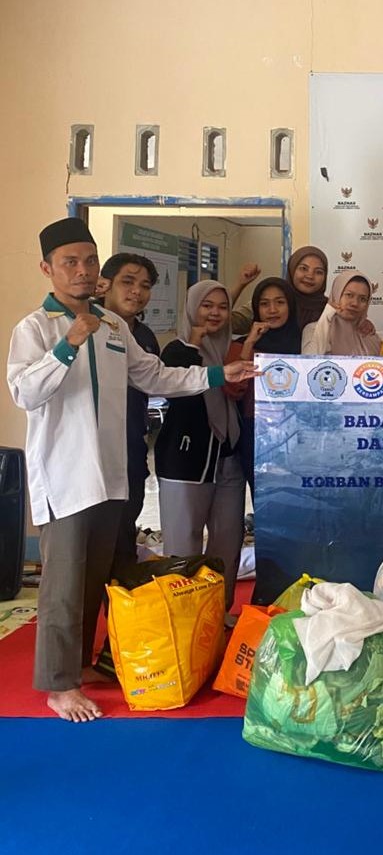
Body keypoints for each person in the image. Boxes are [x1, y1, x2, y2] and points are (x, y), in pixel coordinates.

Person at [6, 217, 257, 722]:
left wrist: (217, 373)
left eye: (89, 260)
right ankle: (58, 685)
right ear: (48, 269)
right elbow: (24, 392)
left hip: (112, 474)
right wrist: (68, 344)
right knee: (63, 583)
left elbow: (155, 375)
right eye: (70, 262)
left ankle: (80, 664)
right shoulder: (36, 328)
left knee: (95, 577)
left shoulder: (114, 326)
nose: (82, 270)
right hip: (66, 476)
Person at [155, 281, 249, 623]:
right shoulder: (176, 349)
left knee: (227, 541)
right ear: (192, 308)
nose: (214, 313)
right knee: (184, 543)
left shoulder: (229, 349)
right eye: (206, 305)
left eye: (222, 307)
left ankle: (215, 615)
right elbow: (175, 383)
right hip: (186, 460)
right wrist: (194, 342)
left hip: (228, 458)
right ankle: (183, 620)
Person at [95, 253, 161, 585]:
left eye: (145, 285)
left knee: (124, 541)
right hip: (92, 456)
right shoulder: (86, 329)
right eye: (128, 282)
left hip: (132, 450)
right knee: (91, 551)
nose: (137, 291)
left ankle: (120, 617)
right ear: (103, 285)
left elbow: (157, 380)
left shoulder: (145, 337)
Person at [224, 277, 301, 491]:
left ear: (290, 306)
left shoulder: (305, 343)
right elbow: (232, 391)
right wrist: (249, 343)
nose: (272, 310)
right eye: (264, 304)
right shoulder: (242, 345)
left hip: (298, 435)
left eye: (280, 302)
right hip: (256, 436)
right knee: (265, 499)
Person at [231, 245, 329, 335]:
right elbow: (228, 323)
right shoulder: (272, 302)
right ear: (292, 269)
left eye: (318, 272)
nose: (310, 276)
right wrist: (240, 284)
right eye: (303, 268)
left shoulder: (329, 310)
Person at [301, 271, 382, 356]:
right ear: (336, 295)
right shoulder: (314, 330)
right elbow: (309, 361)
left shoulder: (369, 334)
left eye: (363, 299)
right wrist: (327, 315)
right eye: (349, 295)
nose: (355, 303)